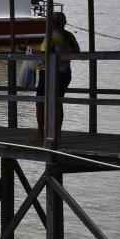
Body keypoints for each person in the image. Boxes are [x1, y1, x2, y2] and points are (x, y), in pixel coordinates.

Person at [31, 11, 79, 144]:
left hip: (49, 73)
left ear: (53, 23)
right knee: (57, 103)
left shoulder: (52, 36)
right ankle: (57, 135)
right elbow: (77, 51)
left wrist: (28, 49)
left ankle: (41, 132)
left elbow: (45, 53)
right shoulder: (68, 35)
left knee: (40, 102)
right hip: (65, 73)